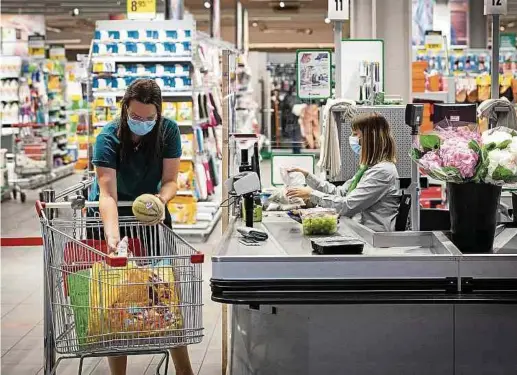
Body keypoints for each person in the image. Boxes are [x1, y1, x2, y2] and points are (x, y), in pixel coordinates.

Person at [88, 79, 194, 375]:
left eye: (149, 118)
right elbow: (106, 195)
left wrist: (160, 201)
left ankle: (184, 370)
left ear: (158, 113)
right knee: (115, 299)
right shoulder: (108, 137)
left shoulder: (168, 131)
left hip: (151, 217)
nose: (142, 122)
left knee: (164, 293)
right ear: (124, 109)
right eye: (136, 117)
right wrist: (113, 239)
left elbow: (171, 180)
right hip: (110, 217)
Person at [287, 113, 400, 232]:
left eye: (356, 134)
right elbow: (340, 193)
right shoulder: (369, 168)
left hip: (371, 236)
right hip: (358, 230)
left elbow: (347, 205)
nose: (353, 138)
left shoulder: (383, 172)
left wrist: (312, 195)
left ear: (369, 138)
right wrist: (308, 176)